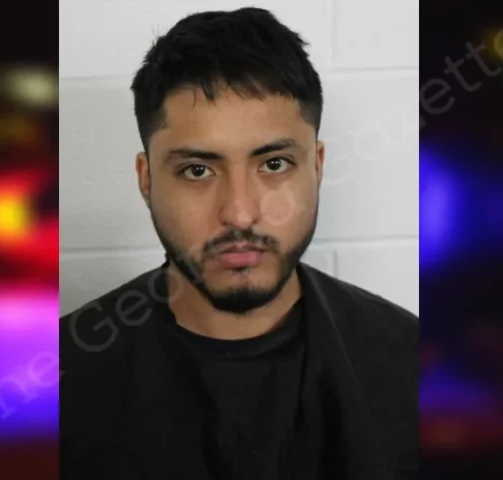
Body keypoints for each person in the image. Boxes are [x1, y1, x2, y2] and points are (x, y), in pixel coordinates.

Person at [60, 7, 417, 479]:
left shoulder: (412, 365)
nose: (240, 213)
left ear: (317, 167)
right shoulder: (57, 384)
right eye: (197, 170)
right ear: (147, 180)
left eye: (274, 164)